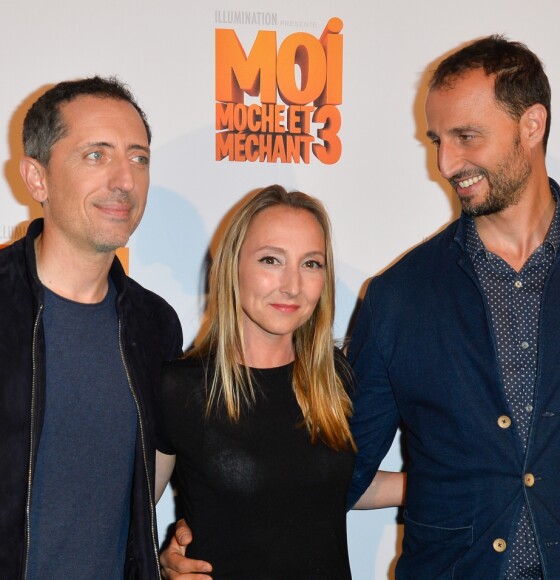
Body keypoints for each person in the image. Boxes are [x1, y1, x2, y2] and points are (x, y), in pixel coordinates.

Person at [347, 35, 560, 578]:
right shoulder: (398, 297)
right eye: (437, 141)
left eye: (466, 137)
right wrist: (212, 526)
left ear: (532, 125)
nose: (447, 163)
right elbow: (336, 470)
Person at [155, 185, 404, 579]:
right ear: (232, 267)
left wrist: (436, 483)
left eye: (311, 264)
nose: (292, 285)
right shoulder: (179, 389)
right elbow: (127, 518)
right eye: (271, 260)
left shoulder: (336, 378)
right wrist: (162, 564)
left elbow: (331, 486)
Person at [0, 77, 183, 578]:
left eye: (139, 157)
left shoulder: (156, 327)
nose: (124, 179)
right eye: (96, 156)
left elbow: (145, 492)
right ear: (37, 179)